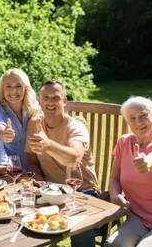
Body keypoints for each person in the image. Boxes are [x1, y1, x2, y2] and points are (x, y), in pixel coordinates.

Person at [27, 80, 100, 247]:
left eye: (56, 98)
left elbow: (74, 159)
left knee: (80, 226)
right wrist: (38, 180)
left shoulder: (76, 127)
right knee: (23, 216)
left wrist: (48, 144)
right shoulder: (35, 124)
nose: (51, 102)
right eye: (46, 97)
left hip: (82, 191)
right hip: (49, 191)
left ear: (64, 101)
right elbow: (31, 161)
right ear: (39, 101)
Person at [105, 96, 152, 247]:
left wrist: (148, 163)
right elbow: (115, 179)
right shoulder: (124, 142)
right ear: (127, 123)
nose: (138, 122)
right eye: (132, 118)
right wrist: (114, 194)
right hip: (137, 217)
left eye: (143, 116)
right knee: (115, 245)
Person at [0, 68, 39, 173]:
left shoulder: (33, 107)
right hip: (9, 169)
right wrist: (5, 133)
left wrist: (75, 120)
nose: (13, 91)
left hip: (34, 167)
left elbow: (51, 118)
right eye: (8, 86)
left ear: (25, 88)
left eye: (18, 86)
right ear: (2, 89)